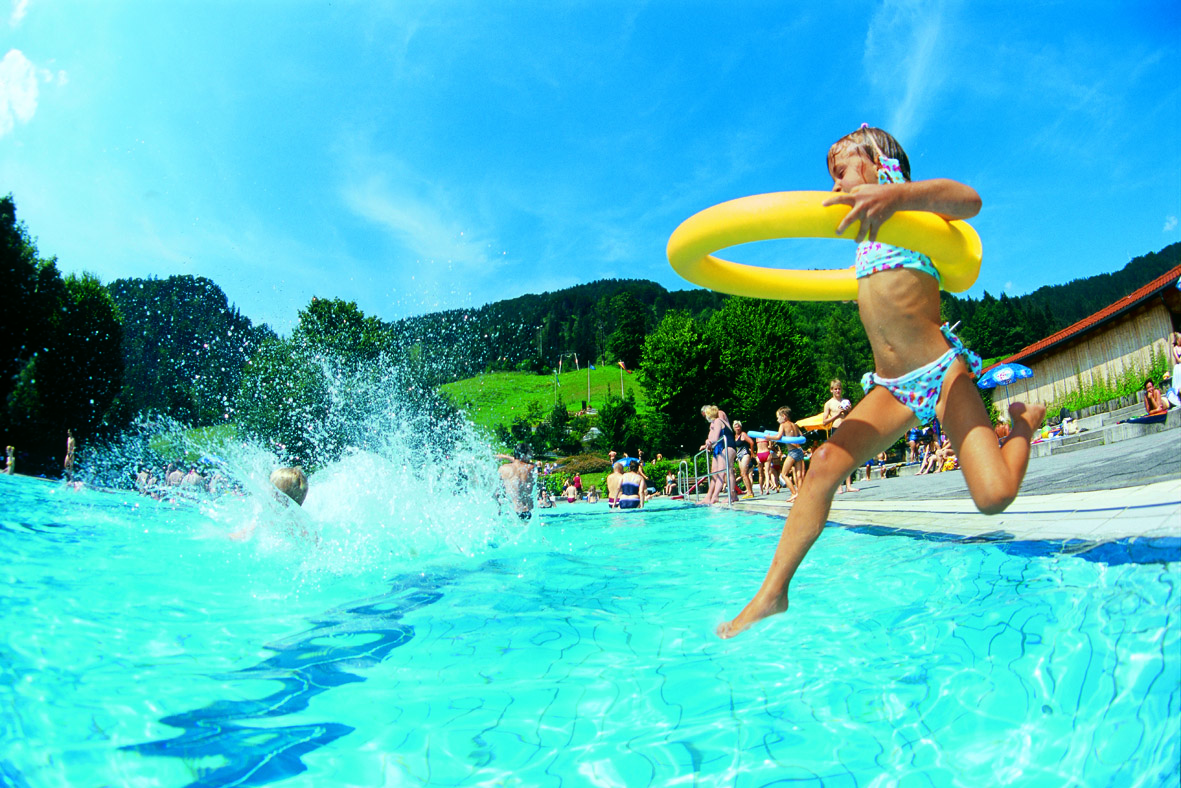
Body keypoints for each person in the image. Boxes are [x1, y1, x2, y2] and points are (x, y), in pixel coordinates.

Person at [718, 125, 1044, 638]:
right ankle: (772, 593)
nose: (834, 186)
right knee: (824, 464)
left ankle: (1023, 424)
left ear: (881, 166)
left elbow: (970, 200)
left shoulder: (913, 216)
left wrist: (897, 196)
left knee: (994, 498)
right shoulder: (865, 234)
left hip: (942, 373)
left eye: (841, 171)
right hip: (891, 388)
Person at [821, 380, 859, 494]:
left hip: (845, 429)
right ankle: (838, 486)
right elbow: (824, 422)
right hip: (836, 429)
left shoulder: (845, 401)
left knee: (847, 457)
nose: (838, 391)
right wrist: (837, 415)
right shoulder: (829, 404)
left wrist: (848, 411)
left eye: (839, 389)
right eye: (835, 389)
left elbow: (852, 416)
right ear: (831, 390)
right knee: (837, 458)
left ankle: (848, 485)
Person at [699, 405, 737, 504]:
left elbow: (715, 438)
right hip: (726, 446)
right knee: (725, 471)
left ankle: (724, 496)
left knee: (726, 471)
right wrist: (708, 442)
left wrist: (708, 442)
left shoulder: (718, 420)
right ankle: (720, 496)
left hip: (727, 446)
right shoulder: (717, 422)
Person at [772, 406, 806, 501]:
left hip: (792, 452)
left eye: (778, 417)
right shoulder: (795, 425)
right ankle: (800, 495)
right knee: (799, 475)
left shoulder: (783, 425)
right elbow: (801, 436)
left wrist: (768, 437)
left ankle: (794, 493)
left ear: (784, 416)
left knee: (784, 474)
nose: (777, 420)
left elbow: (778, 437)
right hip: (799, 450)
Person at [496, 446, 537, 520]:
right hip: (526, 511)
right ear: (523, 455)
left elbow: (497, 493)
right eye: (529, 454)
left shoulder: (503, 469)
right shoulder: (530, 468)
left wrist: (504, 457)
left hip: (510, 512)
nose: (530, 457)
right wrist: (507, 457)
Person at [733, 420, 757, 498]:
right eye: (736, 427)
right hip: (739, 456)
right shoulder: (735, 436)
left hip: (745, 454)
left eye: (738, 426)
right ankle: (749, 490)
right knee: (742, 474)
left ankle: (750, 492)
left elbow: (751, 442)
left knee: (744, 473)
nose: (737, 428)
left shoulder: (743, 434)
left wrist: (752, 453)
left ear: (741, 427)